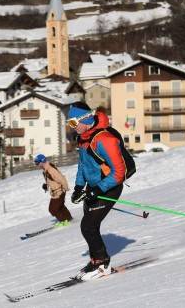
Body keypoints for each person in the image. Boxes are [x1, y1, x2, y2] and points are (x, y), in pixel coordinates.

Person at [67, 102, 126, 280]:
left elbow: (119, 172)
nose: (71, 127)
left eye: (72, 123)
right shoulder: (83, 138)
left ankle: (102, 264)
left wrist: (98, 189)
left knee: (88, 226)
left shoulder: (105, 139)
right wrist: (79, 187)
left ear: (85, 118)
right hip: (94, 188)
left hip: (109, 187)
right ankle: (96, 260)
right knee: (90, 226)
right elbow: (83, 165)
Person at [34, 154, 72, 226]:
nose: (37, 165)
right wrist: (46, 185)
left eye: (37, 162)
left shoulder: (50, 170)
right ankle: (68, 218)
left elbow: (61, 179)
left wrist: (65, 188)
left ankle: (64, 221)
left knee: (53, 209)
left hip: (59, 191)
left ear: (42, 161)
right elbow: (52, 180)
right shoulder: (46, 170)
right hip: (56, 192)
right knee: (60, 207)